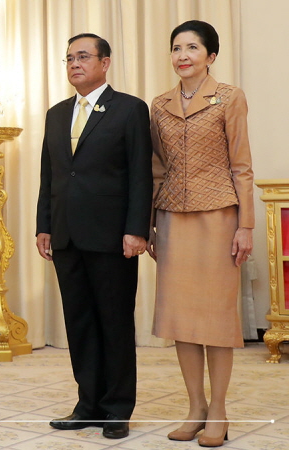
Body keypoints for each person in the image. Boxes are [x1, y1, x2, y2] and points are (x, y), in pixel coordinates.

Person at [35, 33, 153, 439]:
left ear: (105, 62)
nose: (74, 64)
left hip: (112, 238)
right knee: (80, 323)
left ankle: (117, 408)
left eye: (83, 56)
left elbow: (141, 174)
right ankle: (88, 403)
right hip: (67, 236)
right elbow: (49, 175)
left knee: (115, 323)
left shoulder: (129, 110)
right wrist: (44, 225)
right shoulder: (55, 113)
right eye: (69, 58)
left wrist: (137, 228)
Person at [148, 20, 254, 448]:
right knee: (182, 321)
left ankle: (219, 411)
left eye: (192, 47)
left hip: (219, 219)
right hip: (172, 217)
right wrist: (150, 223)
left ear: (210, 55)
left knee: (214, 320)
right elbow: (156, 169)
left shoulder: (229, 97)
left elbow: (241, 166)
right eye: (176, 48)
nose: (183, 55)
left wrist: (245, 224)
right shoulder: (159, 105)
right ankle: (194, 407)